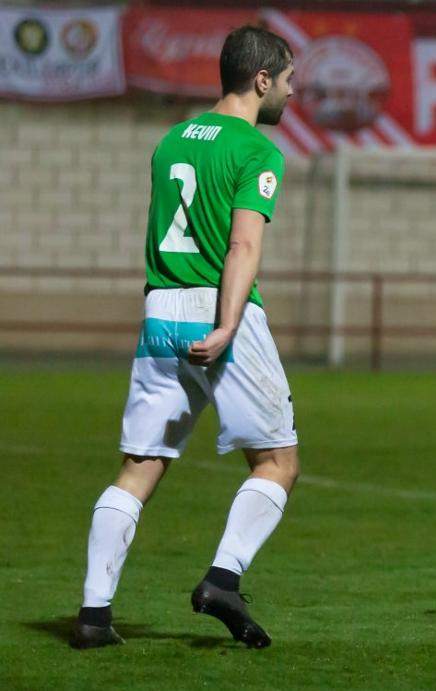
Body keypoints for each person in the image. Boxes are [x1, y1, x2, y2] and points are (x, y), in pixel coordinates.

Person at [71, 26, 298, 650]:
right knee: (278, 463)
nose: (290, 91)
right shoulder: (256, 152)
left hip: (159, 312)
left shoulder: (171, 142)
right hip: (217, 313)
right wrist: (227, 323)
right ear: (261, 80)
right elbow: (242, 244)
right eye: (287, 79)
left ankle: (93, 616)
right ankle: (222, 580)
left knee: (140, 466)